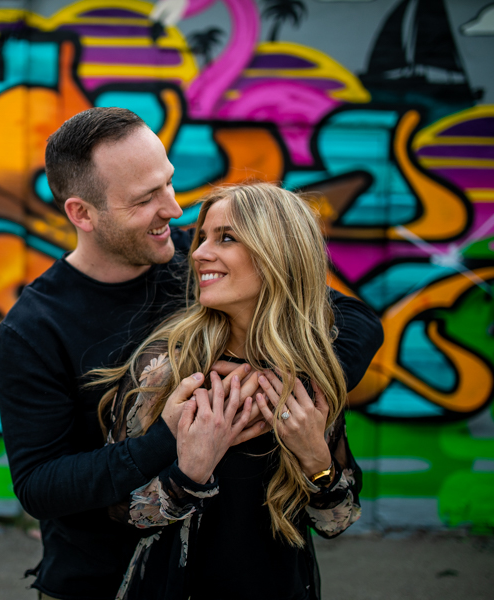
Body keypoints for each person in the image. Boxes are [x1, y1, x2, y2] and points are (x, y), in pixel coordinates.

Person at [0, 107, 383, 600]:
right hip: (102, 581)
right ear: (82, 213)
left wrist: (296, 395)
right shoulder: (34, 328)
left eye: (168, 183)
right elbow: (40, 486)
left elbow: (352, 318)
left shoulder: (198, 261)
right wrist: (170, 438)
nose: (175, 209)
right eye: (145, 199)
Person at [93, 182, 364, 600]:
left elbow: (336, 521)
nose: (199, 253)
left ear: (279, 254)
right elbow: (120, 513)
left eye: (226, 237)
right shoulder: (168, 368)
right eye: (203, 238)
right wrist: (191, 472)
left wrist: (315, 458)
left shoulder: (309, 374)